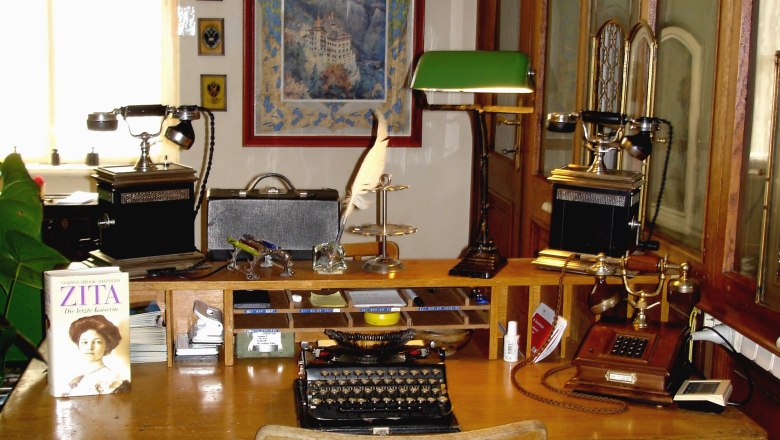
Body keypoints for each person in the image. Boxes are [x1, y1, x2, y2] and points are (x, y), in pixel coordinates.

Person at [66, 315, 129, 396]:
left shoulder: (112, 379)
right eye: (85, 342)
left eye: (97, 342)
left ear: (107, 346)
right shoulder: (77, 379)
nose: (89, 347)